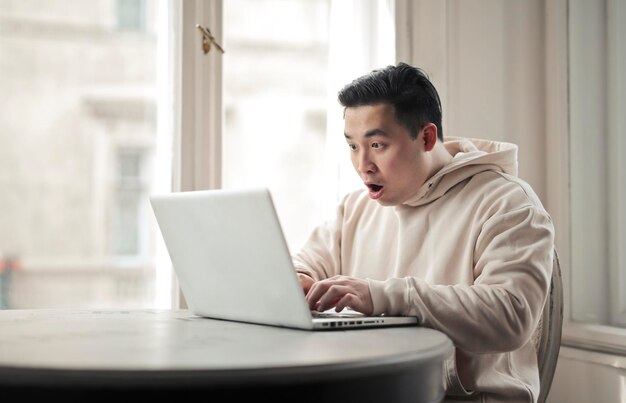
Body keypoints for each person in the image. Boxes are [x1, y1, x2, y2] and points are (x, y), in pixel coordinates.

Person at [292, 62, 555, 402]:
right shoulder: (355, 208)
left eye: (377, 145)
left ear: (427, 137)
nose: (362, 165)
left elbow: (511, 315)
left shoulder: (508, 202)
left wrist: (382, 295)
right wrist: (295, 279)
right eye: (353, 146)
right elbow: (309, 262)